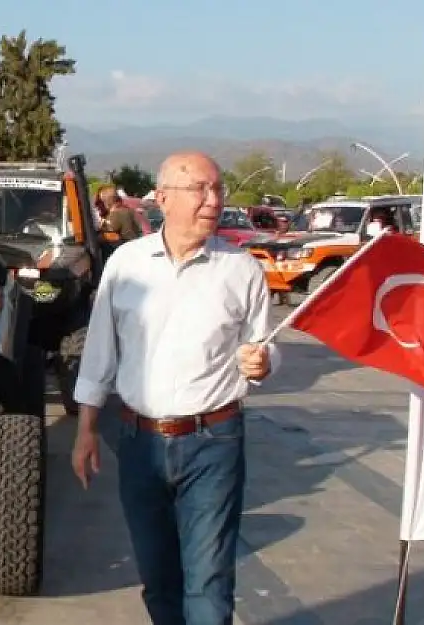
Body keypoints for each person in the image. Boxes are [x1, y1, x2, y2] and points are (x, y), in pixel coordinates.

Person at [71, 151, 281, 625]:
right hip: (138, 442)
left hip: (214, 443)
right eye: (199, 189)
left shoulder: (241, 269)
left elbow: (264, 346)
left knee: (207, 582)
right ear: (163, 198)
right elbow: (100, 353)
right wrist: (86, 430)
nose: (212, 200)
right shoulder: (126, 264)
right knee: (159, 580)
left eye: (217, 189)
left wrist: (262, 362)